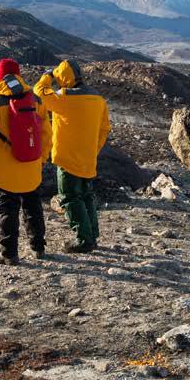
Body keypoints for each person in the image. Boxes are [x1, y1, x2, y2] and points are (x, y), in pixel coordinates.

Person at [0, 58, 52, 265]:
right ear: (18, 75)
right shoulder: (36, 100)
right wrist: (42, 159)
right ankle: (39, 247)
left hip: (4, 170)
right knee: (33, 206)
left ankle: (9, 254)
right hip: (31, 165)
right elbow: (46, 134)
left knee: (8, 210)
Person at [34, 60, 111, 253]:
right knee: (86, 196)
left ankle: (84, 240)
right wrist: (93, 149)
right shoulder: (98, 99)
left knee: (69, 197)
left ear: (64, 77)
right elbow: (104, 129)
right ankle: (92, 236)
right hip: (88, 158)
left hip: (67, 157)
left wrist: (47, 77)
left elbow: (39, 93)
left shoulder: (64, 97)